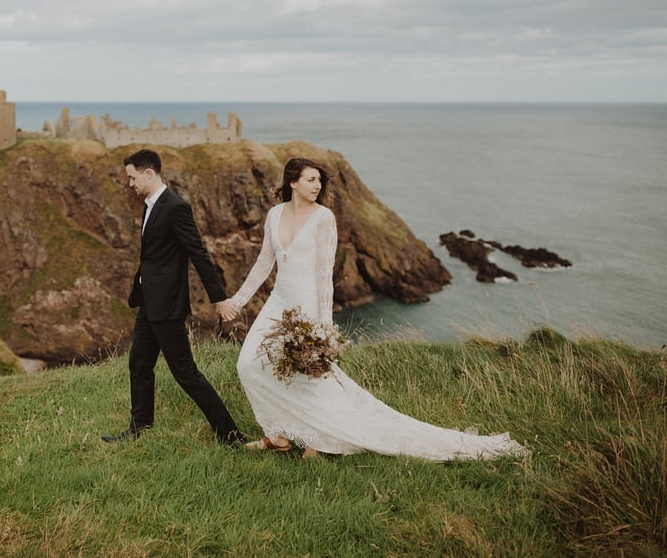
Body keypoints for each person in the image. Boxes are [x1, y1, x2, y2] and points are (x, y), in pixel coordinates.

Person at [220, 157, 529, 461]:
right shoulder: (275, 214)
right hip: (278, 304)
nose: (317, 185)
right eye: (310, 180)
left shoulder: (324, 217)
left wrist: (323, 326)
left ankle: (317, 440)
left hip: (307, 307)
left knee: (313, 378)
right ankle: (278, 435)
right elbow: (264, 263)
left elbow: (324, 275)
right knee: (248, 364)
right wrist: (238, 301)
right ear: (292, 182)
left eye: (319, 180)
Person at [102, 149, 245, 447]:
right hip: (149, 303)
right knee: (139, 364)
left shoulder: (175, 207)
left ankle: (230, 435)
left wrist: (218, 299)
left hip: (166, 306)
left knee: (186, 374)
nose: (130, 184)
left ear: (149, 173)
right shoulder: (150, 205)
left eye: (132, 177)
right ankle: (141, 426)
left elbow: (198, 254)